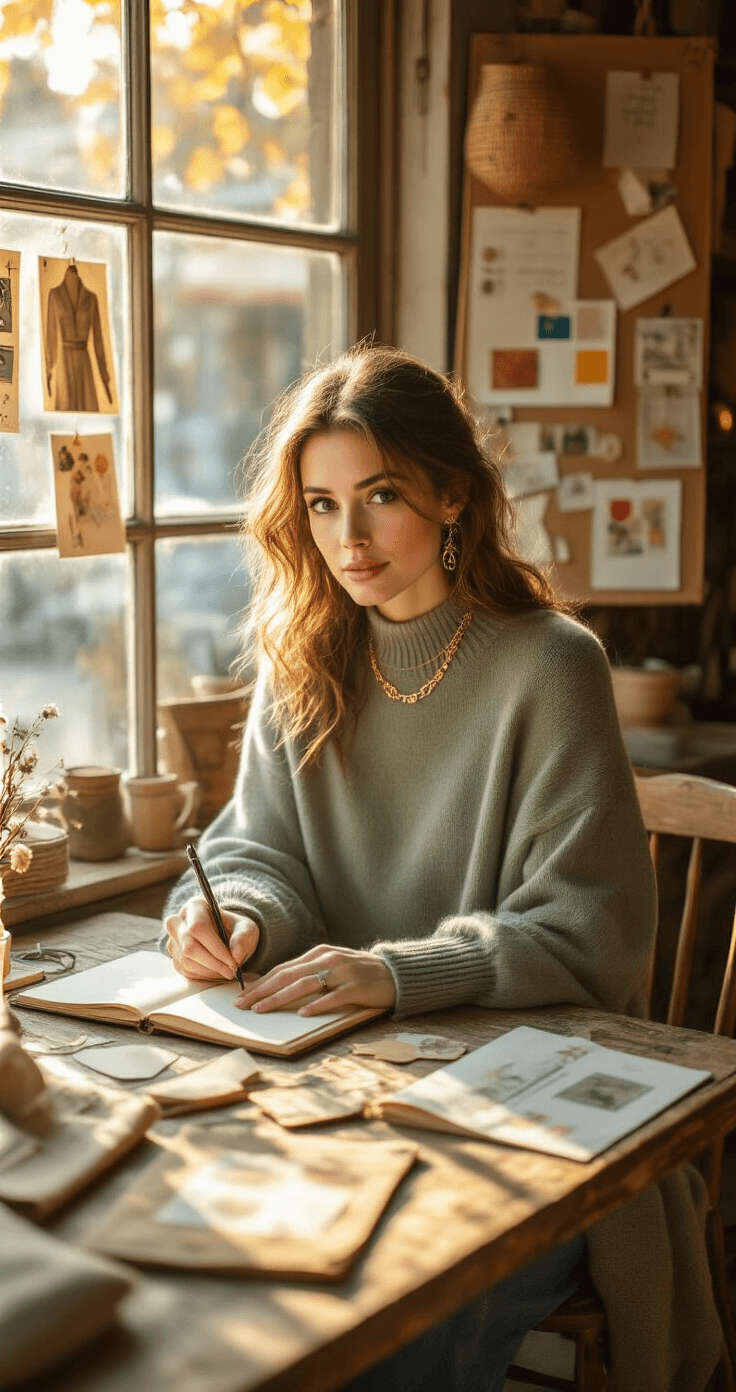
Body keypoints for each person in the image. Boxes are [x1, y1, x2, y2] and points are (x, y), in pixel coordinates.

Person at [163, 344, 722, 1392]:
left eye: (380, 496)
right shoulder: (302, 660)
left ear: (453, 494)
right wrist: (239, 913)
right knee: (218, 1298)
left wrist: (395, 972)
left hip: (523, 1117)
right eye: (322, 506)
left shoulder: (551, 664)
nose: (350, 538)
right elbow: (256, 848)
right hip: (335, 1094)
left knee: (379, 1333)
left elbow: (585, 930)